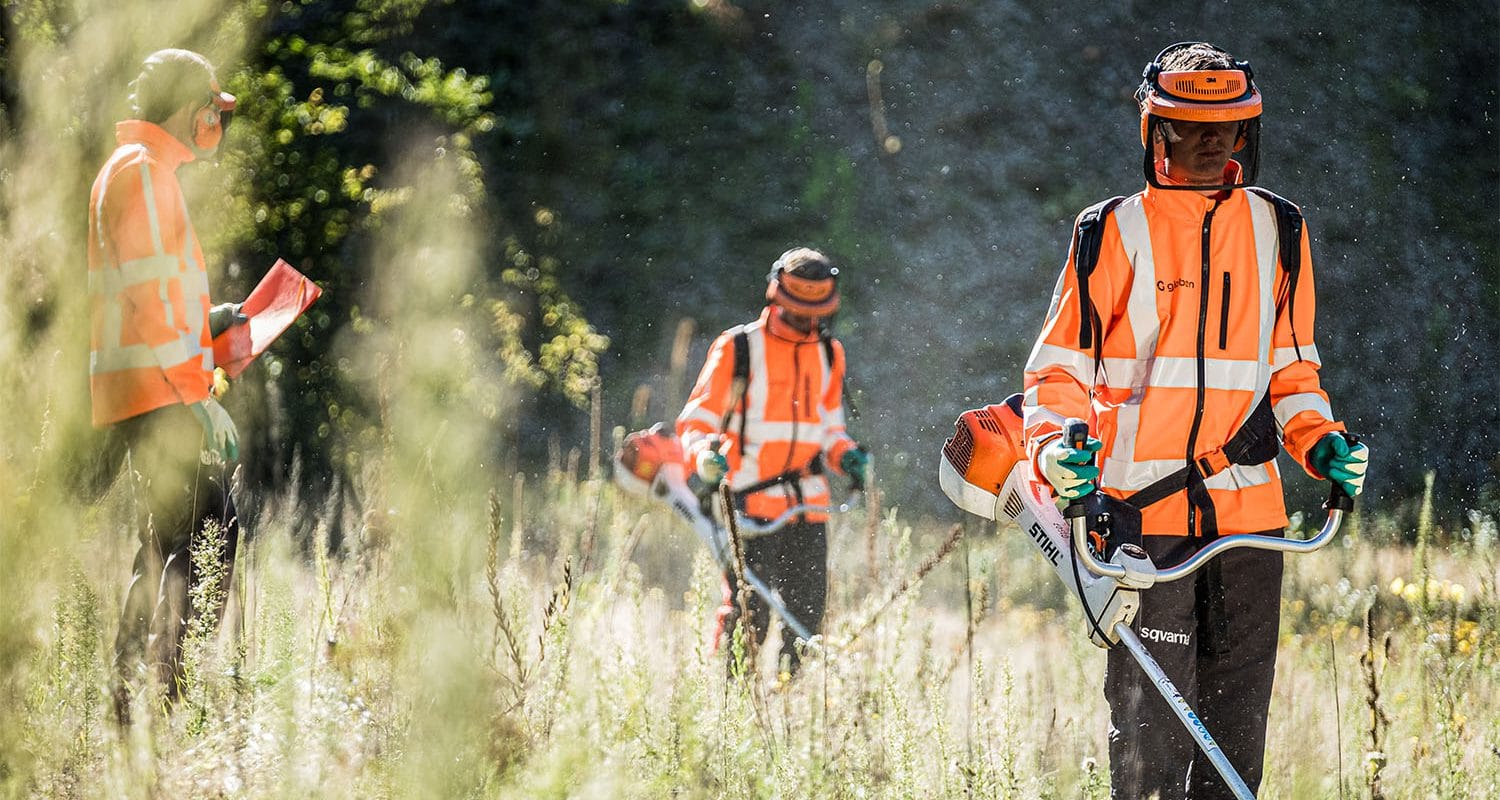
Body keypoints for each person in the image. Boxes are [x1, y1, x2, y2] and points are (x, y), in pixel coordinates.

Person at [1021, 42, 1369, 798]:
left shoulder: (1283, 229)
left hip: (1251, 518)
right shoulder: (1109, 230)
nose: (1213, 140)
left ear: (1248, 131)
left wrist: (1322, 444)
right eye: (1191, 125)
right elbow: (1059, 371)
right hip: (1139, 519)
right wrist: (1053, 451)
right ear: (1156, 129)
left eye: (1229, 126)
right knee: (1151, 738)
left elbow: (1293, 372)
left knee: (1235, 741)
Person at [90, 48, 246, 719]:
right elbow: (151, 299)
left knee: (166, 545)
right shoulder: (146, 173)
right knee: (206, 540)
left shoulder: (139, 170)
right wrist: (198, 399)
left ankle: (133, 701)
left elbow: (151, 296)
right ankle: (163, 704)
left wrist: (214, 323)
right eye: (214, 109)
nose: (217, 122)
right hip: (159, 393)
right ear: (191, 109)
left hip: (150, 385)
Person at [677, 247, 867, 675]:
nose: (809, 320)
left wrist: (847, 457)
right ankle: (733, 705)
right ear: (777, 297)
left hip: (808, 507)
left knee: (807, 616)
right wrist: (705, 456)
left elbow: (830, 429)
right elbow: (696, 422)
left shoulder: (830, 354)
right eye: (801, 310)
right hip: (749, 504)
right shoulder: (738, 348)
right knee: (748, 614)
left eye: (816, 312)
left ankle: (790, 705)